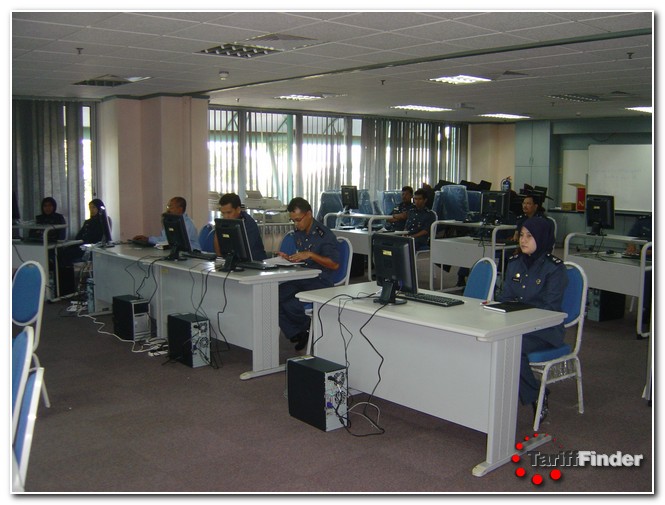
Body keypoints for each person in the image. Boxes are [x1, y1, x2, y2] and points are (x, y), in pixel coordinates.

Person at [497, 217, 568, 422]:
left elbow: (550, 309)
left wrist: (519, 316)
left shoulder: (555, 269)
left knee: (511, 347)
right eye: (521, 235)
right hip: (516, 325)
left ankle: (536, 394)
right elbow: (505, 298)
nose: (523, 240)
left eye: (529, 236)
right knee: (495, 343)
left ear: (542, 238)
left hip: (545, 330)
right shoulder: (514, 263)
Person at [277, 197, 340, 351]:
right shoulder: (299, 232)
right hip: (302, 276)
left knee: (290, 303)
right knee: (272, 296)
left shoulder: (324, 235)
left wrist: (311, 255)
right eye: (293, 220)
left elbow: (334, 264)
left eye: (298, 220)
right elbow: (303, 257)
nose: (296, 224)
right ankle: (299, 332)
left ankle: (307, 326)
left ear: (309, 214)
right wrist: (290, 258)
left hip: (320, 280)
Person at [133, 196, 200, 251]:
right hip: (178, 252)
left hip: (192, 254)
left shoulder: (187, 223)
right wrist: (148, 239)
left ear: (180, 209)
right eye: (168, 207)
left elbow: (178, 243)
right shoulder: (172, 221)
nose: (168, 210)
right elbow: (164, 239)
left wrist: (152, 241)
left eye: (171, 207)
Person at [213, 193, 267, 260]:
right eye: (223, 213)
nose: (226, 216)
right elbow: (219, 253)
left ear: (238, 209)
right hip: (236, 262)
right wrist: (218, 229)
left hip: (255, 262)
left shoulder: (248, 223)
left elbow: (244, 251)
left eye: (229, 212)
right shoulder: (226, 223)